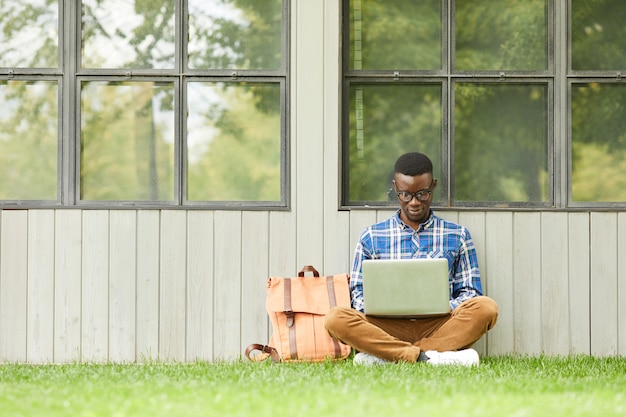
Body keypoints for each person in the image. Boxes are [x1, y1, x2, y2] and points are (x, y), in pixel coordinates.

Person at [325, 152, 498, 366]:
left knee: (486, 308)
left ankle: (392, 356)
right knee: (335, 318)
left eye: (422, 194)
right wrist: (382, 307)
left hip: (439, 324)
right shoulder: (371, 237)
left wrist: (443, 306)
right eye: (405, 195)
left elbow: (471, 293)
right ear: (395, 188)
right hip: (386, 326)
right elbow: (358, 295)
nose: (414, 202)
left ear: (433, 186)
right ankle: (431, 358)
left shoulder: (458, 235)